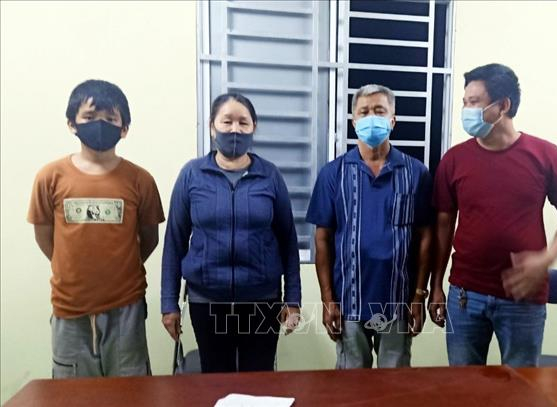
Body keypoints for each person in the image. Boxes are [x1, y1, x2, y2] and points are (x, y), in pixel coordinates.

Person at [429, 63, 557, 367]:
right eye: (464, 102)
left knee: (522, 387)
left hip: (523, 299)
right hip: (465, 295)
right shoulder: (454, 160)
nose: (467, 110)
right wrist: (436, 286)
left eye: (475, 102)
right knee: (463, 387)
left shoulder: (545, 155)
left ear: (503, 105)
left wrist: (546, 258)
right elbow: (443, 227)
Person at [28, 79, 165, 377]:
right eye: (89, 117)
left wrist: (119, 269)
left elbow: (150, 239)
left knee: (130, 391)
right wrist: (70, 267)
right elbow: (44, 235)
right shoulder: (50, 177)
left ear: (124, 128)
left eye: (110, 119)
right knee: (74, 393)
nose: (99, 125)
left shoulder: (141, 180)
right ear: (71, 123)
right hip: (69, 308)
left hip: (126, 307)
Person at [161, 93, 302, 373]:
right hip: (207, 302)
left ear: (253, 127)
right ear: (212, 127)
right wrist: (169, 303)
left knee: (259, 380)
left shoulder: (270, 176)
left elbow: (288, 240)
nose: (235, 129)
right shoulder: (192, 175)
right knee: (216, 380)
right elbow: (174, 242)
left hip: (262, 301)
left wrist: (293, 299)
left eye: (243, 122)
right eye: (227, 121)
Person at [306, 84, 433, 369]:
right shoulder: (333, 174)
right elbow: (322, 239)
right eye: (364, 112)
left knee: (395, 385)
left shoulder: (416, 173)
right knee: (352, 386)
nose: (371, 117)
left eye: (379, 111)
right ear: (354, 121)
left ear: (393, 120)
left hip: (398, 301)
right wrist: (328, 300)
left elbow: (426, 237)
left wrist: (418, 296)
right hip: (349, 302)